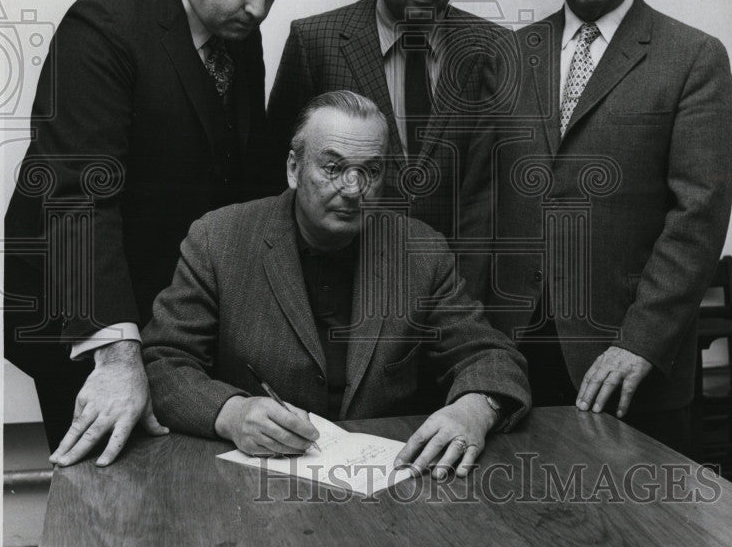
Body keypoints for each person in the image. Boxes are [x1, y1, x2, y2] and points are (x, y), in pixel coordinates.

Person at [4, 0, 303, 466]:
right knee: (105, 503)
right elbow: (78, 199)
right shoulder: (102, 27)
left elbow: (232, 173)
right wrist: (116, 356)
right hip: (79, 311)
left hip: (169, 308)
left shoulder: (239, 30)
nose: (259, 7)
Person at [460, 0, 732, 454]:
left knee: (643, 534)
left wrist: (641, 341)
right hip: (515, 354)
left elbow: (698, 216)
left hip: (626, 358)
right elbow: (481, 204)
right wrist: (478, 340)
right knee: (518, 526)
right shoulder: (510, 55)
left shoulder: (692, 58)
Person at [142, 91, 531, 478]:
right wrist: (230, 413)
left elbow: (491, 356)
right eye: (332, 167)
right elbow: (162, 363)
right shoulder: (219, 238)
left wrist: (476, 409)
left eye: (371, 171)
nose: (353, 188)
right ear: (294, 168)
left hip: (388, 488)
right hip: (255, 486)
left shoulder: (420, 251)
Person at [267, 0, 517, 239]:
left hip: (452, 275)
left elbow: (497, 184)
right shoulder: (315, 42)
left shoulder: (496, 49)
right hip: (342, 265)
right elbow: (274, 171)